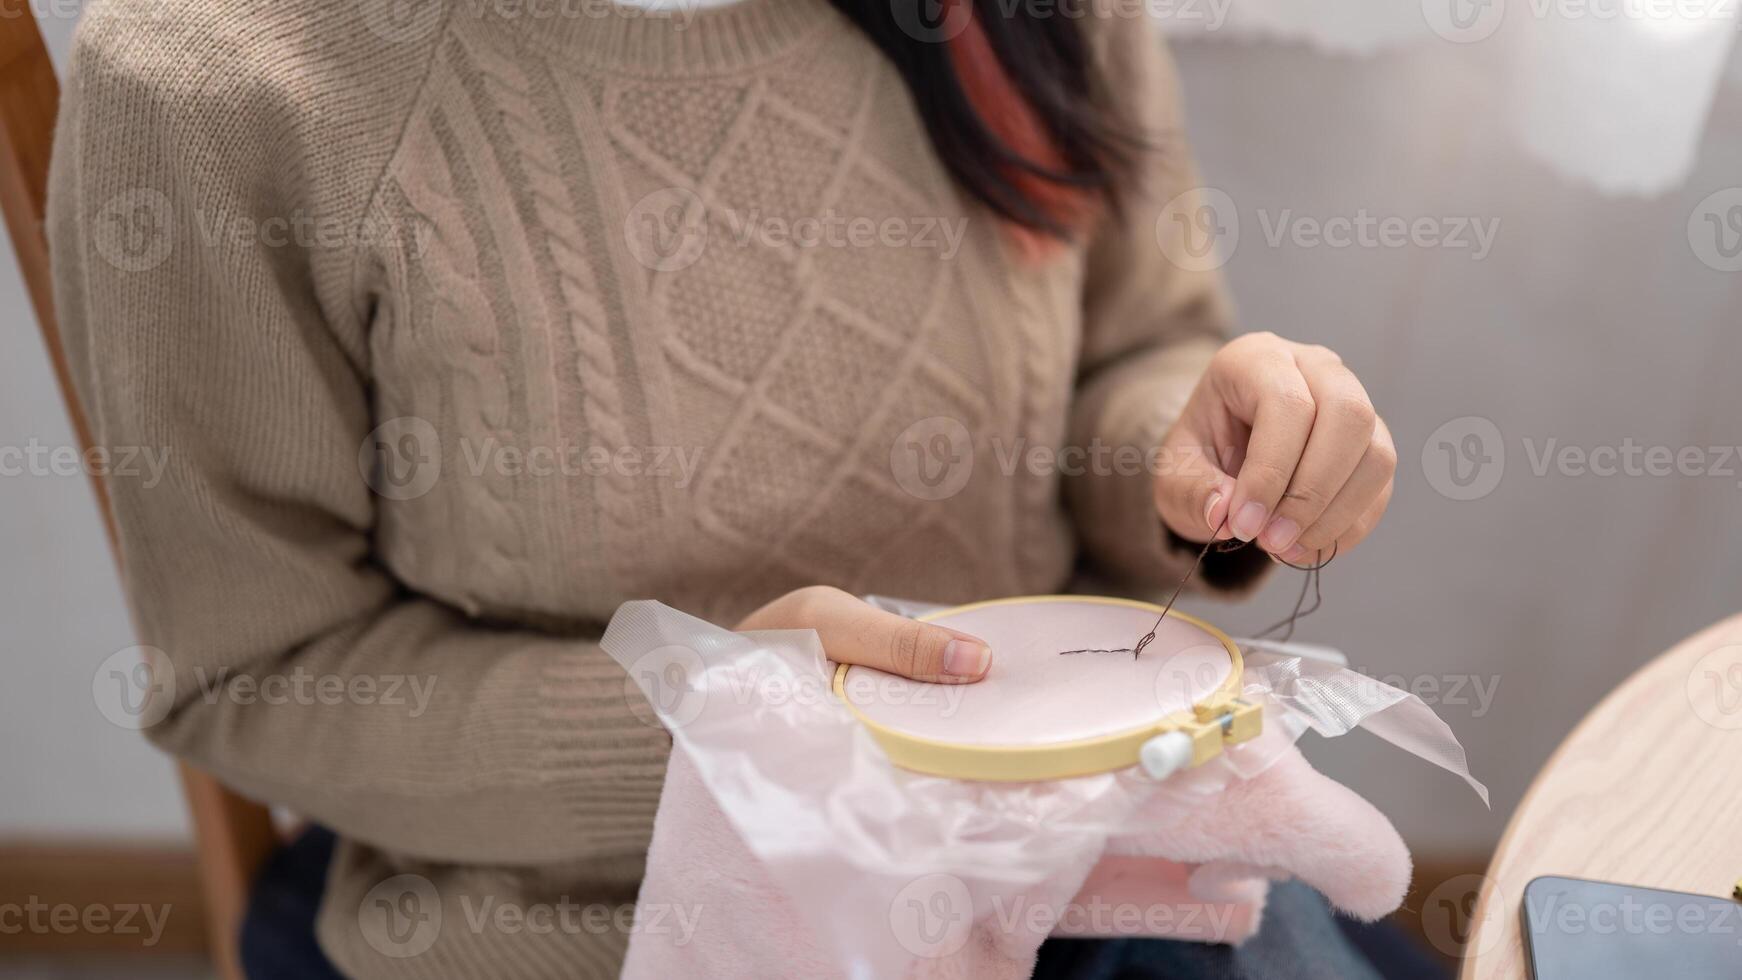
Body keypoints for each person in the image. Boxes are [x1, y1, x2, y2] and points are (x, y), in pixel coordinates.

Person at [48, 0, 1396, 975]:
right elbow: (263, 671)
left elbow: (1127, 346)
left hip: (1091, 868)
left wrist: (1196, 456)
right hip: (585, 926)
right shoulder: (217, 77)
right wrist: (732, 729)